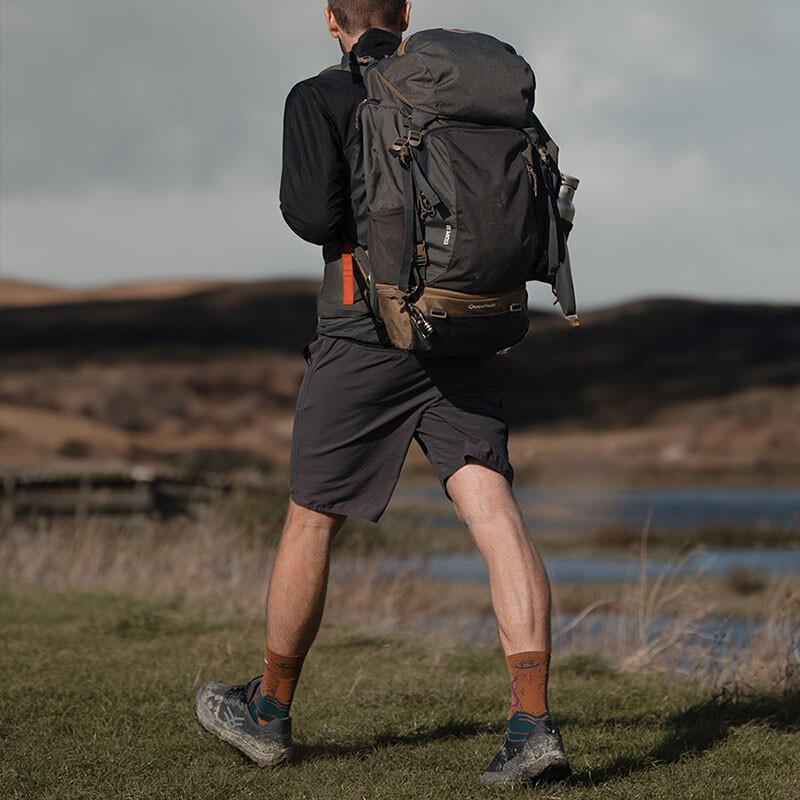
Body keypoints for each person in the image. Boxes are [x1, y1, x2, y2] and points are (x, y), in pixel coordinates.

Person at [194, 0, 571, 786]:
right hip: (463, 326)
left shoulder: (320, 96)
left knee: (312, 515)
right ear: (404, 15)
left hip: (365, 334)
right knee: (490, 502)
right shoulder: (463, 94)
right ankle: (532, 721)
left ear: (331, 18)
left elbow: (310, 216)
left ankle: (268, 712)